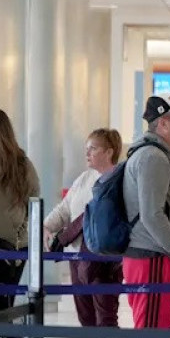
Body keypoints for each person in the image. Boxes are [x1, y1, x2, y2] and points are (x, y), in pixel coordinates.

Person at [123, 94, 170, 332]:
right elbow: (152, 215)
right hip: (153, 258)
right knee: (150, 337)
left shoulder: (159, 154)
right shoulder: (153, 157)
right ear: (163, 123)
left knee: (154, 334)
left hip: (156, 256)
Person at [43, 128, 123, 327]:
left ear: (109, 152)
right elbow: (65, 208)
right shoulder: (84, 178)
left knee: (105, 314)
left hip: (104, 256)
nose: (87, 153)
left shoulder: (119, 180)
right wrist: (46, 226)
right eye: (86, 148)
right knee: (85, 315)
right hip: (77, 255)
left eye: (93, 149)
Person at [0, 108, 40, 316]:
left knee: (3, 306)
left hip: (9, 247)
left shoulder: (20, 165)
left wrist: (18, 241)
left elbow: (33, 203)